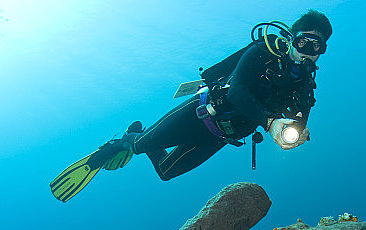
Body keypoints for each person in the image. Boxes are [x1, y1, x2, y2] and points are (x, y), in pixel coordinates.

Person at [51, 9, 332, 202]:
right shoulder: (264, 51)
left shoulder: (305, 86)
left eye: (315, 46)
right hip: (199, 113)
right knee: (138, 147)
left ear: (321, 52)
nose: (306, 50)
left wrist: (297, 135)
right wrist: (270, 124)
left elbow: (297, 124)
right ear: (291, 40)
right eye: (302, 41)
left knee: (166, 173)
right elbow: (237, 91)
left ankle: (139, 136)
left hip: (220, 137)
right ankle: (123, 141)